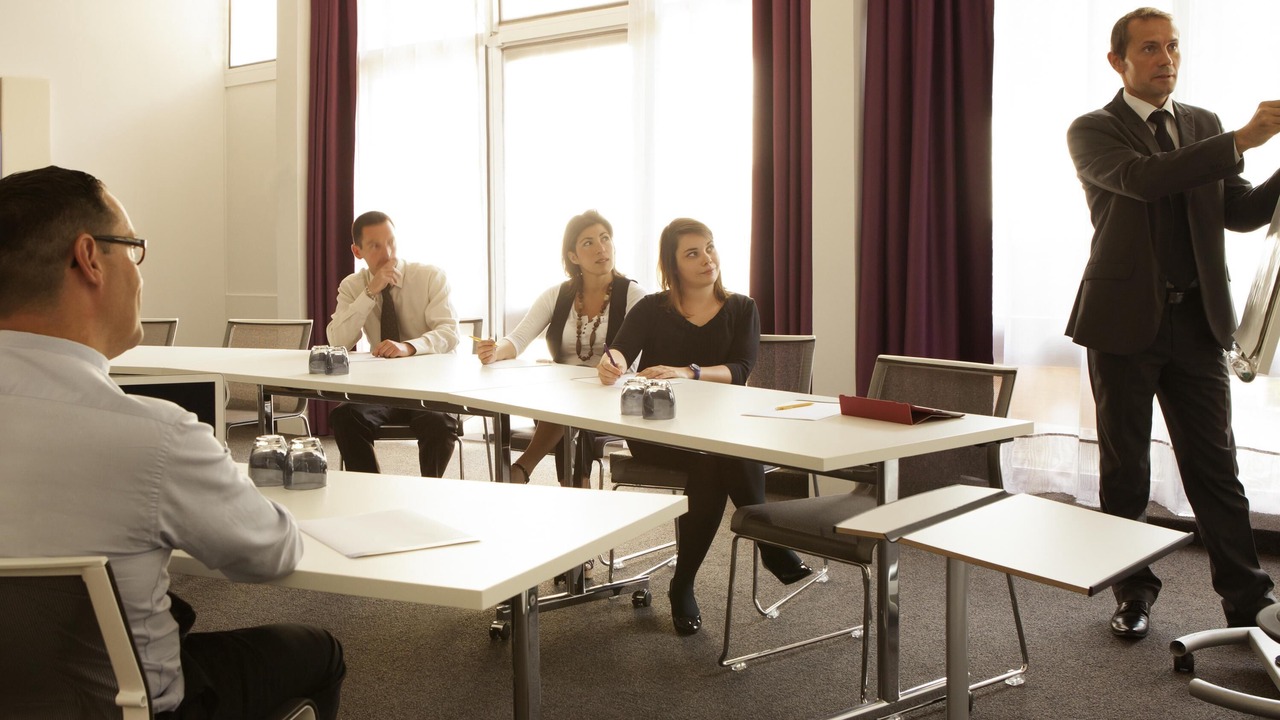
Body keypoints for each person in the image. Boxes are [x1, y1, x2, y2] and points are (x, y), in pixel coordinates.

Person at [0, 166, 345, 718]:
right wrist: (216, 471)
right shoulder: (154, 437)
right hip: (130, 707)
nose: (139, 275)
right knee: (317, 651)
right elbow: (272, 552)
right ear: (89, 259)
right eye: (133, 249)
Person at [1066, 7, 1280, 638]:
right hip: (1121, 325)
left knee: (1217, 469)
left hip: (1198, 327)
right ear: (1119, 62)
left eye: (1174, 47)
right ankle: (1133, 593)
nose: (1166, 59)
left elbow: (1235, 212)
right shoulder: (1092, 130)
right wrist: (1239, 141)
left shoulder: (1204, 125)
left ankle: (1250, 600)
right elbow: (1145, 180)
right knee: (1125, 471)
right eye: (1151, 49)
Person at [597, 218, 811, 635]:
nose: (706, 258)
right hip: (659, 431)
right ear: (672, 265)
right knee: (722, 453)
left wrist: (688, 372)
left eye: (709, 248)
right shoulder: (651, 308)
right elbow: (621, 350)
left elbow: (741, 368)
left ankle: (683, 584)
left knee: (714, 458)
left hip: (718, 430)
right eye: (692, 253)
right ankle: (769, 542)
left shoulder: (742, 308)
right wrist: (614, 364)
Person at [476, 210, 645, 487]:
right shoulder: (557, 295)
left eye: (605, 238)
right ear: (573, 256)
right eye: (588, 242)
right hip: (558, 401)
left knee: (569, 410)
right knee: (566, 407)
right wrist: (494, 351)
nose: (601, 248)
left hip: (612, 395)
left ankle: (524, 469)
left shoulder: (635, 296)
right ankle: (575, 491)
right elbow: (517, 340)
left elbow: (631, 361)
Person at [327, 211, 462, 477]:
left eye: (391, 242)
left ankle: (429, 492)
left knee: (438, 423)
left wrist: (409, 347)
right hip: (382, 390)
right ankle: (372, 491)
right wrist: (369, 293)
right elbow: (337, 340)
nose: (387, 252)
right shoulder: (353, 286)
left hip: (429, 388)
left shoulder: (430, 277)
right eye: (375, 246)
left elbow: (449, 334)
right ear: (357, 251)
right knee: (344, 417)